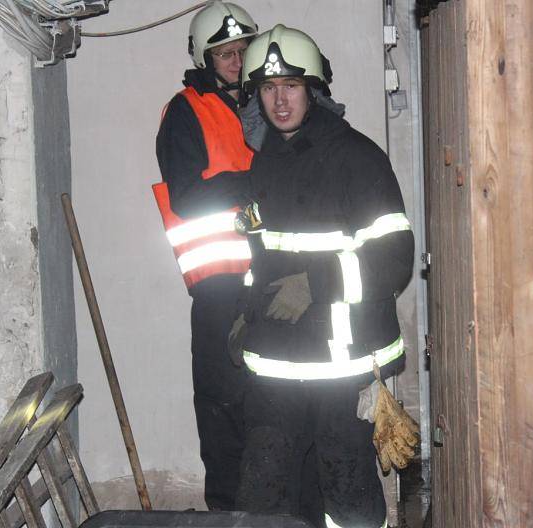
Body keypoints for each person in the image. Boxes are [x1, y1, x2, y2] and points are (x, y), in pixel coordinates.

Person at [230, 25, 415, 528]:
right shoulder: (263, 164)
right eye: (268, 88)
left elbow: (394, 258)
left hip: (342, 365)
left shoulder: (358, 159)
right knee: (265, 490)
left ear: (313, 89)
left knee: (347, 489)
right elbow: (263, 256)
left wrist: (316, 284)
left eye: (291, 86)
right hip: (275, 364)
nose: (280, 100)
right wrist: (246, 313)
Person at [152, 0, 258, 511]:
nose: (236, 63)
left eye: (242, 51)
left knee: (273, 414)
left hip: (276, 284)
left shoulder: (265, 102)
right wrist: (255, 182)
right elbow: (188, 196)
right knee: (223, 414)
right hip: (219, 291)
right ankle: (227, 515)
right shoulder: (185, 111)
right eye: (225, 54)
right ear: (205, 59)